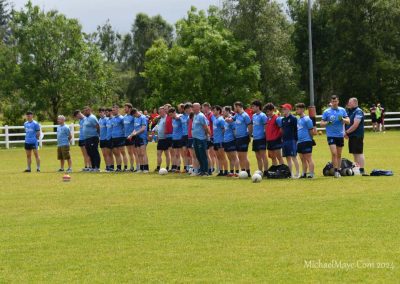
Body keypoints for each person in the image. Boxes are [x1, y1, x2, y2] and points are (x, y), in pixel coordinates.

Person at [320, 95, 350, 178]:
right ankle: (335, 171)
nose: (334, 103)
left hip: (340, 135)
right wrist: (328, 122)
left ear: (338, 101)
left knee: (339, 154)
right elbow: (321, 123)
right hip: (331, 135)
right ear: (331, 102)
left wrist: (343, 120)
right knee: (334, 153)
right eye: (333, 102)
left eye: (336, 101)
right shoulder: (327, 112)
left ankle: (339, 170)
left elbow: (348, 121)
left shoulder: (342, 110)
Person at [345, 98, 368, 176]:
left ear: (355, 103)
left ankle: (362, 170)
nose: (348, 104)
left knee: (359, 152)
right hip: (352, 135)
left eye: (350, 102)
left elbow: (355, 125)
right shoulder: (350, 111)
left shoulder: (358, 111)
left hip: (357, 135)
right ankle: (357, 169)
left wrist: (347, 132)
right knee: (355, 153)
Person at [295, 103, 316, 178]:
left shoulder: (307, 119)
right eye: (296, 109)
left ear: (302, 109)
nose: (296, 110)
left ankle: (311, 174)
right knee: (302, 159)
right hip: (299, 142)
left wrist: (310, 140)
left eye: (298, 109)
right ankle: (304, 173)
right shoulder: (298, 119)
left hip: (306, 141)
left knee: (308, 158)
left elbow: (311, 131)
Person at [232, 101, 252, 176]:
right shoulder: (237, 115)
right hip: (238, 138)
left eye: (235, 107)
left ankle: (248, 172)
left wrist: (249, 136)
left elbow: (249, 125)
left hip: (244, 138)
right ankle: (243, 172)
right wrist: (228, 118)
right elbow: (231, 119)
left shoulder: (245, 115)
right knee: (239, 156)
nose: (234, 109)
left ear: (238, 107)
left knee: (244, 156)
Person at [280, 104, 300, 178]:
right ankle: (290, 173)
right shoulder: (283, 119)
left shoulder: (293, 118)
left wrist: (295, 140)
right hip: (284, 141)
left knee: (293, 157)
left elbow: (296, 130)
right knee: (287, 158)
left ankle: (297, 173)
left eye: (284, 109)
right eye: (283, 109)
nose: (283, 110)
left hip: (292, 140)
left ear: (289, 109)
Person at [192, 103, 211, 176]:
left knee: (202, 155)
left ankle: (205, 171)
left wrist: (207, 135)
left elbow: (206, 127)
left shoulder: (201, 116)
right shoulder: (195, 115)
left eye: (193, 107)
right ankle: (201, 170)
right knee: (198, 155)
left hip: (201, 138)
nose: (192, 108)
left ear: (198, 107)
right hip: (195, 138)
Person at [129, 108, 149, 173]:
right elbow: (135, 129)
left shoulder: (143, 118)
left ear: (136, 113)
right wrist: (131, 135)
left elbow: (143, 128)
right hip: (136, 138)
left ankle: (146, 168)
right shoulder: (135, 118)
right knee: (139, 153)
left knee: (143, 153)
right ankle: (141, 168)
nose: (134, 117)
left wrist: (135, 133)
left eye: (134, 115)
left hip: (142, 137)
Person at [251, 100, 268, 177]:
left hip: (261, 138)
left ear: (258, 107)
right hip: (255, 139)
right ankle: (260, 171)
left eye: (253, 106)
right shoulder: (254, 116)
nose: (252, 108)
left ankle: (266, 171)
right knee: (257, 156)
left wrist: (265, 136)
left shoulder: (263, 115)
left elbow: (266, 127)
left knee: (263, 155)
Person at [82, 106, 101, 172]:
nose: (85, 112)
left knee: (94, 152)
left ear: (90, 110)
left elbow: (97, 127)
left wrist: (98, 136)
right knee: (90, 153)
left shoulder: (92, 118)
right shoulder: (86, 118)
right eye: (84, 111)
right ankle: (93, 167)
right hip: (87, 138)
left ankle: (97, 167)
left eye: (86, 110)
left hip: (93, 137)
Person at [223, 106, 240, 177]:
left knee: (234, 157)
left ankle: (237, 172)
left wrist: (235, 139)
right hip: (226, 141)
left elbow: (234, 131)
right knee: (229, 158)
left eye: (223, 111)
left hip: (231, 140)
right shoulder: (225, 120)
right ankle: (231, 172)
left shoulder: (232, 120)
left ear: (228, 111)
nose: (222, 113)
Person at [212, 105, 228, 176]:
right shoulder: (215, 119)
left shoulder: (221, 119)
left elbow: (224, 129)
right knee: (218, 157)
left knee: (222, 156)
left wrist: (221, 137)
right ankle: (221, 171)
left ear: (218, 111)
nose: (213, 112)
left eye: (214, 110)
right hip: (215, 141)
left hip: (221, 140)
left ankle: (226, 171)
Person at [203, 102, 218, 174]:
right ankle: (211, 167)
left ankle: (215, 168)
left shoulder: (211, 115)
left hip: (212, 136)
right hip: (208, 137)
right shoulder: (205, 115)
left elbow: (215, 123)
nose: (203, 109)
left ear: (207, 107)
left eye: (204, 107)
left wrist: (212, 134)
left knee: (213, 154)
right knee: (209, 153)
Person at [110, 105, 126, 172]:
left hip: (120, 137)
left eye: (114, 110)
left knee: (123, 152)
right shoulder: (112, 118)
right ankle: (118, 167)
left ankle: (126, 167)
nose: (113, 111)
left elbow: (125, 127)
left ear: (117, 110)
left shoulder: (122, 118)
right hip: (114, 138)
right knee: (116, 153)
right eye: (112, 110)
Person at [155, 106, 171, 172]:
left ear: (164, 111)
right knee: (158, 153)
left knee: (167, 154)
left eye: (161, 112)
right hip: (160, 139)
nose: (160, 113)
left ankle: (167, 167)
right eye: (159, 112)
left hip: (166, 138)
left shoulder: (168, 118)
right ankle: (158, 167)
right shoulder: (160, 119)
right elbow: (158, 128)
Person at [168, 107, 184, 172]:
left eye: (171, 114)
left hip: (180, 138)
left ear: (174, 112)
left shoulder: (179, 117)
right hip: (174, 138)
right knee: (176, 154)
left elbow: (182, 116)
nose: (170, 116)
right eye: (169, 115)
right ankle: (178, 167)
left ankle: (185, 167)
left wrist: (179, 116)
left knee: (181, 154)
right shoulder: (173, 119)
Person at [123, 103, 136, 171]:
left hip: (132, 136)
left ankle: (138, 167)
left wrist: (132, 134)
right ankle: (131, 167)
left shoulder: (133, 116)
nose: (124, 109)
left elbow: (136, 127)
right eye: (124, 107)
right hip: (126, 137)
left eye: (126, 107)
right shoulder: (124, 116)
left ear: (130, 108)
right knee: (129, 152)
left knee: (134, 152)